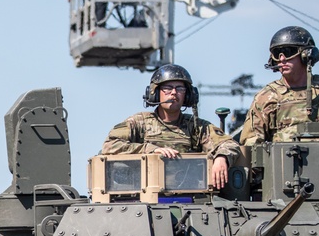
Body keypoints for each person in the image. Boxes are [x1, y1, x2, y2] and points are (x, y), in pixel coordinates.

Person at [102, 63, 241, 190]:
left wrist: (222, 158)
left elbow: (229, 144)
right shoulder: (139, 123)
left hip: (190, 194)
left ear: (188, 95)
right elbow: (110, 146)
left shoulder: (196, 127)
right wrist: (150, 150)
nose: (174, 93)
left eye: (180, 88)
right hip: (146, 195)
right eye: (167, 88)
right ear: (155, 92)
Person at [240, 26, 319, 146]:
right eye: (277, 54)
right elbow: (251, 145)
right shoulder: (265, 97)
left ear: (306, 55)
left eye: (288, 52)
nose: (282, 59)